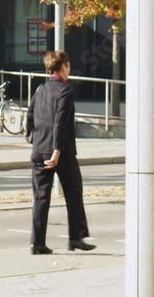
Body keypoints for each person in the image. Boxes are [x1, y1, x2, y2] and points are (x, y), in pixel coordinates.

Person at [25, 50, 95, 255]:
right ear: (63, 67)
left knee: (40, 197)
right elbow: (61, 123)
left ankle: (37, 243)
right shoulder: (65, 90)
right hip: (61, 152)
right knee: (74, 191)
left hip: (39, 150)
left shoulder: (40, 89)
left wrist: (33, 139)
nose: (69, 67)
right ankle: (76, 238)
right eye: (68, 64)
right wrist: (56, 151)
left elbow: (29, 116)